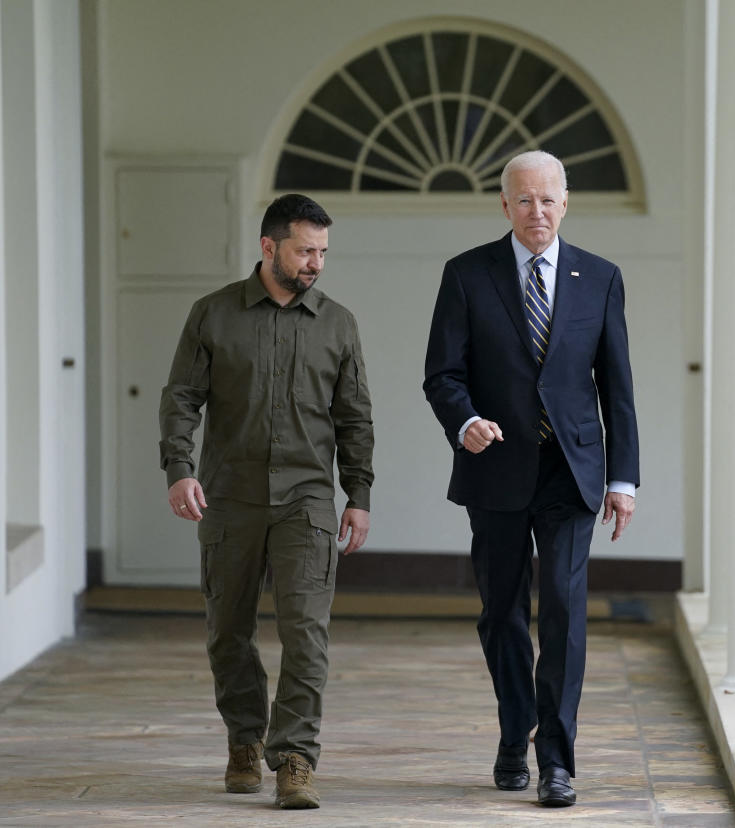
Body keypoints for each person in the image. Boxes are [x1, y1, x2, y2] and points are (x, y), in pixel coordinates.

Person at [423, 150, 640, 807]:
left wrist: (623, 479)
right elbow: (442, 374)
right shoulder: (466, 275)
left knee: (566, 614)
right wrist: (465, 423)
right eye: (524, 200)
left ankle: (557, 762)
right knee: (503, 613)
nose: (536, 212)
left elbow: (618, 388)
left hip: (571, 471)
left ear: (565, 203)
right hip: (496, 468)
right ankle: (514, 730)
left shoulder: (599, 278)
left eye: (548, 200)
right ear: (504, 203)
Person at [158, 194, 373, 810]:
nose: (316, 264)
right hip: (228, 499)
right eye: (305, 250)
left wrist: (358, 493)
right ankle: (245, 740)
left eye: (323, 252)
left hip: (307, 499)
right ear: (269, 247)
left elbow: (355, 417)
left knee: (306, 633)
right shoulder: (212, 314)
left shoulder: (338, 323)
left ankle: (296, 759)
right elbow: (181, 398)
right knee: (228, 632)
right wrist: (179, 468)